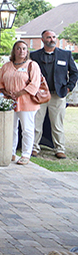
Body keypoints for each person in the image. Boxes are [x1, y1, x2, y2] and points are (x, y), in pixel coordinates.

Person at [29, 30, 78, 159]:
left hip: (58, 95)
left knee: (57, 124)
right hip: (39, 95)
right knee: (36, 123)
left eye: (53, 37)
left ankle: (59, 149)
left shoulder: (65, 54)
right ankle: (33, 147)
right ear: (42, 40)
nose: (52, 39)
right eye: (48, 37)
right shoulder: (34, 55)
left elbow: (74, 73)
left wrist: (69, 88)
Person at [0, 41, 41, 165]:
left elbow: (35, 84)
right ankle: (11, 152)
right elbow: (0, 82)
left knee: (27, 129)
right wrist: (6, 93)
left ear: (27, 51)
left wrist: (19, 93)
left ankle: (26, 154)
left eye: (24, 49)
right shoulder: (6, 66)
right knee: (11, 128)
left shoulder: (32, 65)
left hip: (26, 102)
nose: (21, 51)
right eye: (18, 48)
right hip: (9, 101)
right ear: (14, 50)